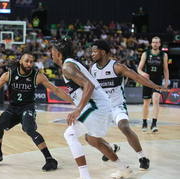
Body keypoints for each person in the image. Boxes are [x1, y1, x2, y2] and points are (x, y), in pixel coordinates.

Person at [0, 53, 73, 171]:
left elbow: (55, 90)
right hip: (13, 108)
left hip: (27, 108)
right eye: (27, 61)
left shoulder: (37, 76)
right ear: (20, 62)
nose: (29, 64)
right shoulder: (9, 75)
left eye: (31, 61)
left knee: (29, 129)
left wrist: (74, 101)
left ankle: (50, 159)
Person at [51, 39, 132, 179]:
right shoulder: (70, 64)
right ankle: (124, 169)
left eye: (52, 52)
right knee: (93, 140)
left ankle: (84, 176)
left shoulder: (67, 67)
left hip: (96, 105)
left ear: (58, 54)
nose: (51, 55)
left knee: (69, 135)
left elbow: (89, 85)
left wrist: (78, 110)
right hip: (100, 104)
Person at [90, 40, 167, 170]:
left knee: (124, 127)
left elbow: (138, 78)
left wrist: (156, 86)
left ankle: (142, 157)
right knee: (91, 136)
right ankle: (111, 148)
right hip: (102, 108)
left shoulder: (117, 67)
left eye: (94, 51)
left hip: (117, 106)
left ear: (103, 52)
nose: (91, 54)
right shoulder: (92, 69)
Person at [137, 36, 169, 132]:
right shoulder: (145, 54)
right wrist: (143, 73)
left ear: (159, 44)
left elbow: (166, 70)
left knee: (156, 100)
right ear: (151, 43)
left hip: (158, 81)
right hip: (147, 81)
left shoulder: (164, 55)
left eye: (157, 42)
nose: (155, 44)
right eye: (153, 42)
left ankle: (154, 124)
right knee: (146, 103)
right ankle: (144, 122)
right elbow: (138, 69)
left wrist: (166, 82)